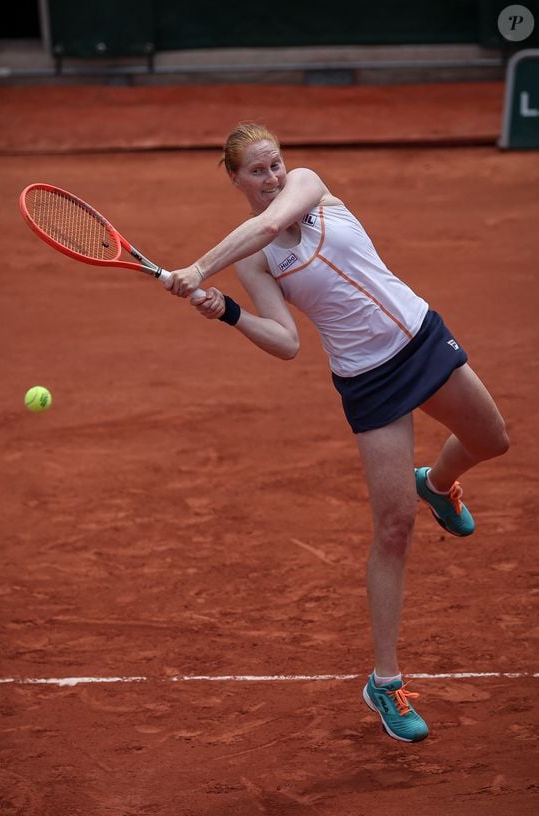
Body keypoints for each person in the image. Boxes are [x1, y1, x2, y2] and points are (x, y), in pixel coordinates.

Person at [165, 122, 509, 743]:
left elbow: (271, 225)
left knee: (492, 440)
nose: (271, 179)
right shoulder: (255, 262)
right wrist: (230, 311)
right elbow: (288, 343)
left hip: (421, 337)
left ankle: (439, 482)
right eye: (256, 172)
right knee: (393, 529)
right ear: (235, 178)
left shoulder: (310, 187)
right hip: (368, 382)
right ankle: (386, 680)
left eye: (274, 166)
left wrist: (196, 266)